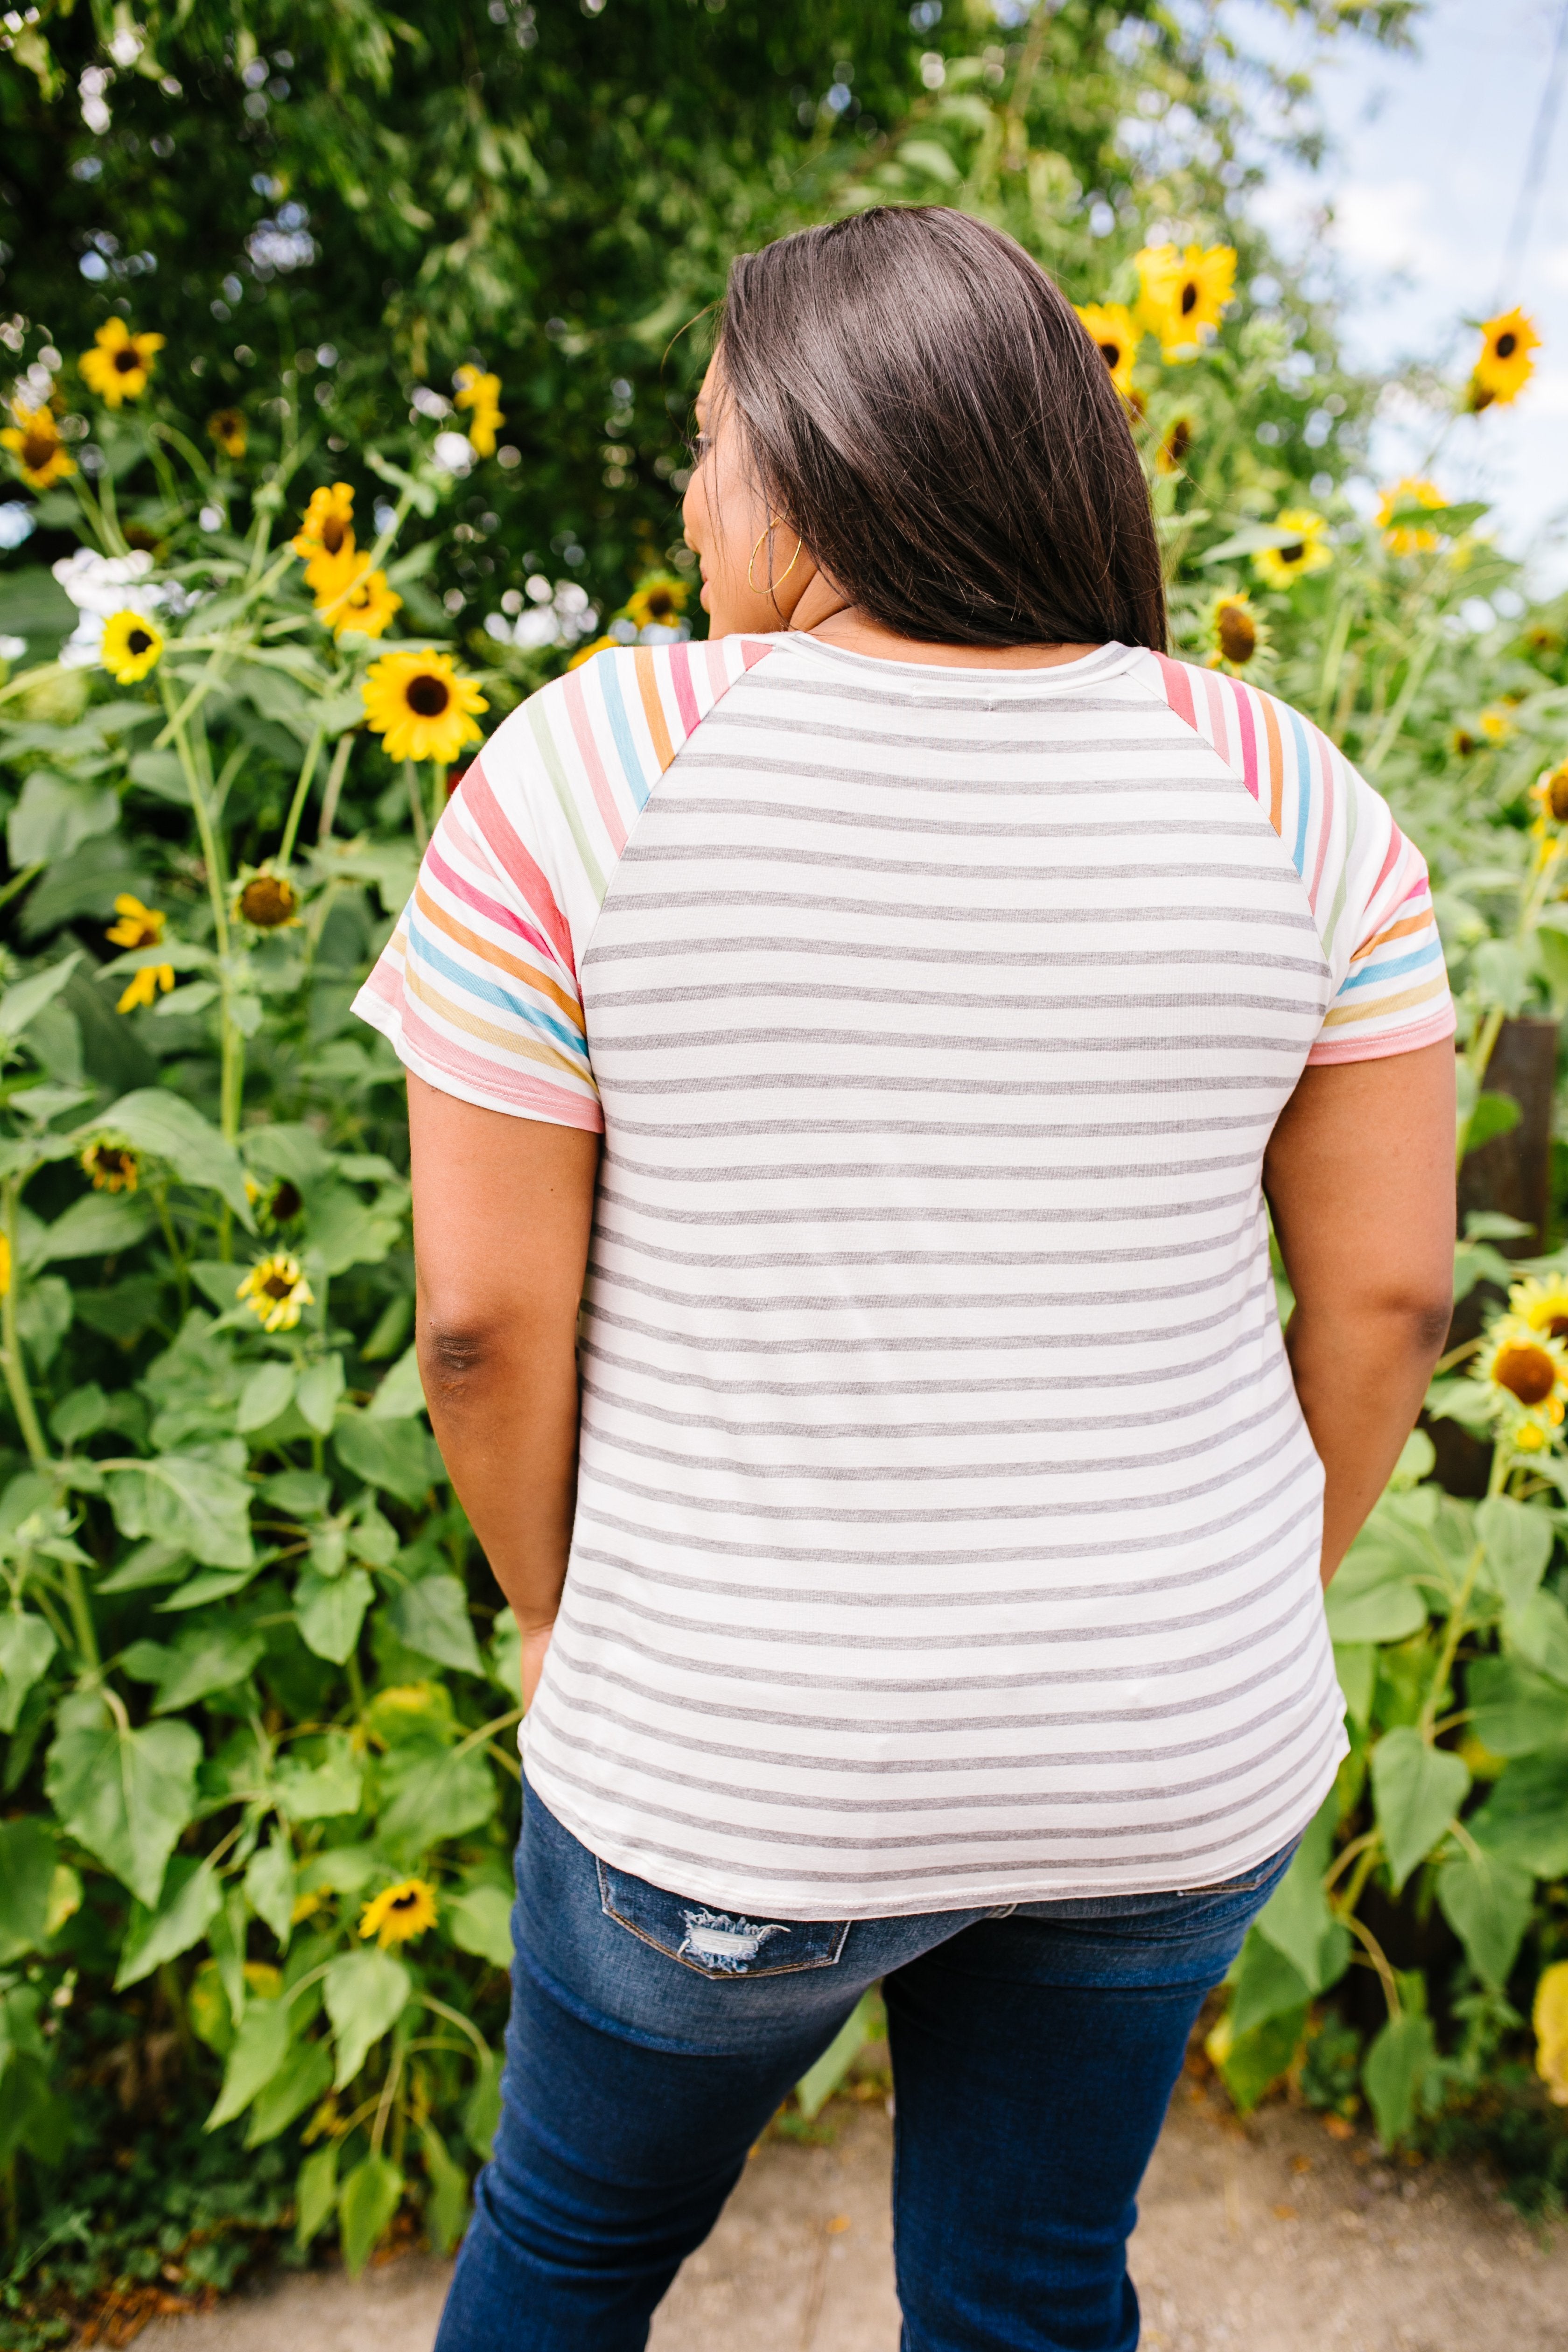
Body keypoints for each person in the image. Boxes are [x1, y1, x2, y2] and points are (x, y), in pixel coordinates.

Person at [353, 205, 1456, 2352]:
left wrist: (566, 1625)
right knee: (1033, 2290)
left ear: (816, 449)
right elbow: (1396, 1294)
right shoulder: (1289, 786)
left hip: (723, 1756)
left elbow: (480, 1324)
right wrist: (1237, 1600)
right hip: (1174, 1747)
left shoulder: (596, 766)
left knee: (572, 2252)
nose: (689, 499)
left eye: (703, 440)